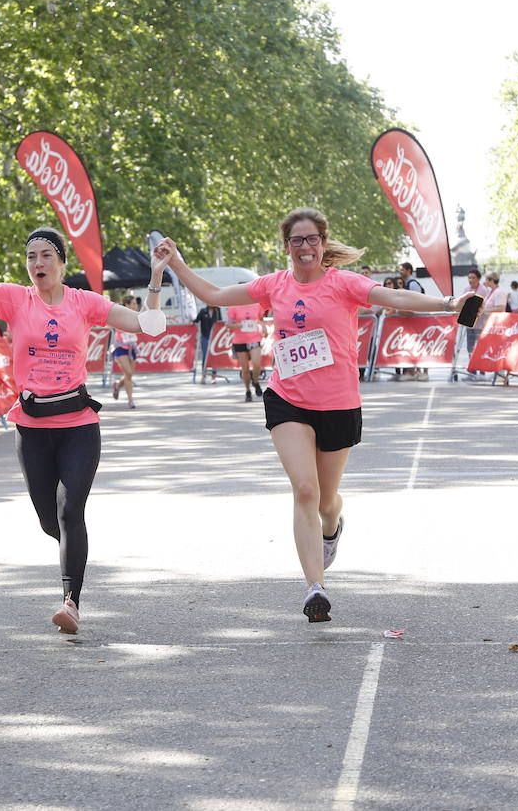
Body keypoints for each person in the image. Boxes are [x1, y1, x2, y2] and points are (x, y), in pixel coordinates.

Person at [155, 208, 478, 623]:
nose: (304, 247)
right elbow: (216, 296)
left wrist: (448, 302)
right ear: (286, 246)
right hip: (287, 398)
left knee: (326, 501)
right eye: (296, 241)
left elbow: (394, 297)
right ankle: (315, 587)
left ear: (323, 244)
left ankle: (332, 526)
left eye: (312, 240)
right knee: (304, 490)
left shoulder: (344, 284)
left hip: (339, 403)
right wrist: (177, 262)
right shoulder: (274, 285)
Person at [0, 197, 168, 636]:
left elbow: (147, 325)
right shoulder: (15, 300)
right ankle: (75, 552)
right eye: (31, 256)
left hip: (77, 424)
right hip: (32, 426)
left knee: (70, 509)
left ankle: (71, 601)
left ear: (61, 262)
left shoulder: (84, 302)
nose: (38, 262)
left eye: (46, 255)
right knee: (47, 518)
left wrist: (154, 276)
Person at [224, 297, 266, 402]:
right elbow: (228, 325)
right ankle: (247, 391)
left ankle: (255, 381)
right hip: (239, 341)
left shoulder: (256, 305)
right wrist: (238, 325)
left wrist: (264, 328)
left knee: (257, 364)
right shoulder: (234, 307)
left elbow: (261, 318)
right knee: (245, 369)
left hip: (254, 339)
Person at [110, 295, 141, 408]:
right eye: (132, 303)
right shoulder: (120, 314)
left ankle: (118, 385)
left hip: (132, 347)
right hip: (120, 347)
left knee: (129, 375)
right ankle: (131, 400)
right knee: (128, 373)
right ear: (127, 305)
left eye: (135, 303)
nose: (135, 305)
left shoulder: (138, 315)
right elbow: (112, 325)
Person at [193, 303, 222, 383]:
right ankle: (204, 376)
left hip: (214, 337)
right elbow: (196, 320)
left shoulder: (217, 311)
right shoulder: (203, 311)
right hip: (205, 337)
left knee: (214, 357)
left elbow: (220, 323)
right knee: (205, 357)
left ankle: (213, 377)